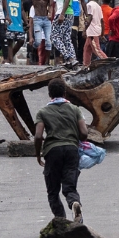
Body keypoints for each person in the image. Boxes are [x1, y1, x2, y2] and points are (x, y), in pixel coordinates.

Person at [33, 77, 89, 223]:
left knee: (53, 191)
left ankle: (61, 220)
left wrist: (38, 155)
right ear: (65, 93)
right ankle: (74, 204)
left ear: (49, 94)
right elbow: (84, 133)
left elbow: (38, 136)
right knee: (69, 187)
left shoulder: (43, 112)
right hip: (71, 150)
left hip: (52, 151)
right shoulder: (75, 109)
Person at [50, 0, 79, 66]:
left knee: (54, 35)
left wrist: (62, 13)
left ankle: (68, 57)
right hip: (69, 12)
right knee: (66, 36)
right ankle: (72, 58)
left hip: (64, 11)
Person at [30, 0, 54, 65]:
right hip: (37, 19)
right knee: (38, 41)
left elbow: (51, 5)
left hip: (46, 18)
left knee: (48, 41)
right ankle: (33, 52)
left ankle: (47, 62)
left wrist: (50, 13)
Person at [4, 0, 26, 64]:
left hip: (18, 22)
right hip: (9, 22)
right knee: (10, 41)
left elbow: (22, 10)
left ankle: (10, 56)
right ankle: (9, 60)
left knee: (21, 41)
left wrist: (26, 21)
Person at [82, 0, 108, 65]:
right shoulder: (98, 6)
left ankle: (109, 63)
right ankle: (85, 65)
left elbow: (89, 19)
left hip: (92, 31)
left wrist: (84, 30)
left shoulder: (89, 5)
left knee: (97, 50)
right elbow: (102, 21)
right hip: (94, 31)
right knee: (87, 49)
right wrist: (102, 34)